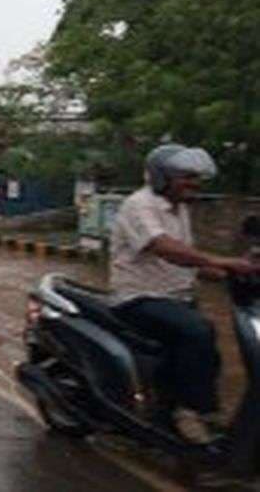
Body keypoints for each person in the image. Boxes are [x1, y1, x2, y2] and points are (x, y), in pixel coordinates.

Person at [109, 144, 259, 443]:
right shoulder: (140, 205)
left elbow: (188, 261)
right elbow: (164, 248)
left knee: (208, 350)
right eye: (185, 178)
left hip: (177, 298)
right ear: (161, 178)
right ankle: (191, 411)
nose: (194, 184)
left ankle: (174, 408)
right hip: (140, 298)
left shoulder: (181, 210)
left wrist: (232, 272)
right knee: (198, 331)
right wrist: (222, 261)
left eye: (196, 178)